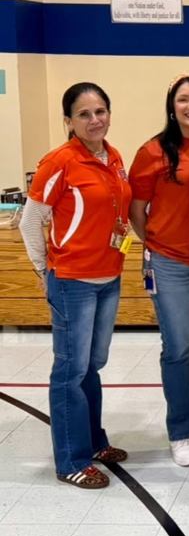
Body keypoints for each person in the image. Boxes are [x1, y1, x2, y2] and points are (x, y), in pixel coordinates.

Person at [19, 83, 131, 488]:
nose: (94, 119)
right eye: (84, 114)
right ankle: (71, 459)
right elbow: (30, 221)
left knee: (91, 366)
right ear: (68, 121)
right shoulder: (60, 162)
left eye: (100, 111)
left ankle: (94, 441)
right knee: (70, 370)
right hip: (73, 282)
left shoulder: (113, 155)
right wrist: (43, 269)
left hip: (109, 277)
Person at [129, 74, 189, 467]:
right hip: (170, 262)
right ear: (172, 106)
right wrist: (158, 244)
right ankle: (180, 430)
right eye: (184, 99)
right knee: (179, 346)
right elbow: (136, 210)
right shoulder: (153, 151)